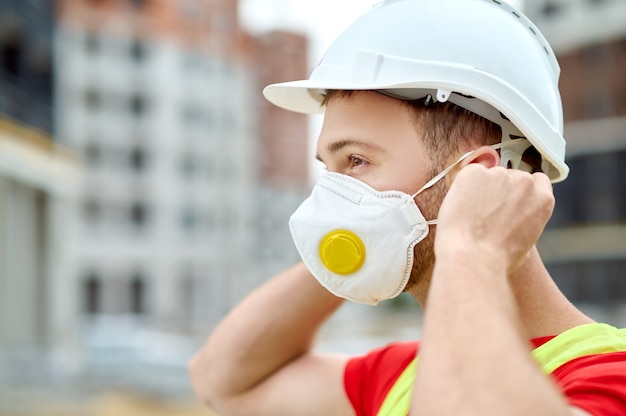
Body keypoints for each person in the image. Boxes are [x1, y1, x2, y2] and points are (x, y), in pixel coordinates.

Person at [188, 0, 626, 414]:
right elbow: (225, 383)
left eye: (356, 162)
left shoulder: (608, 378)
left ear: (475, 177)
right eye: (329, 169)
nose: (331, 198)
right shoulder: (408, 377)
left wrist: (472, 249)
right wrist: (351, 248)